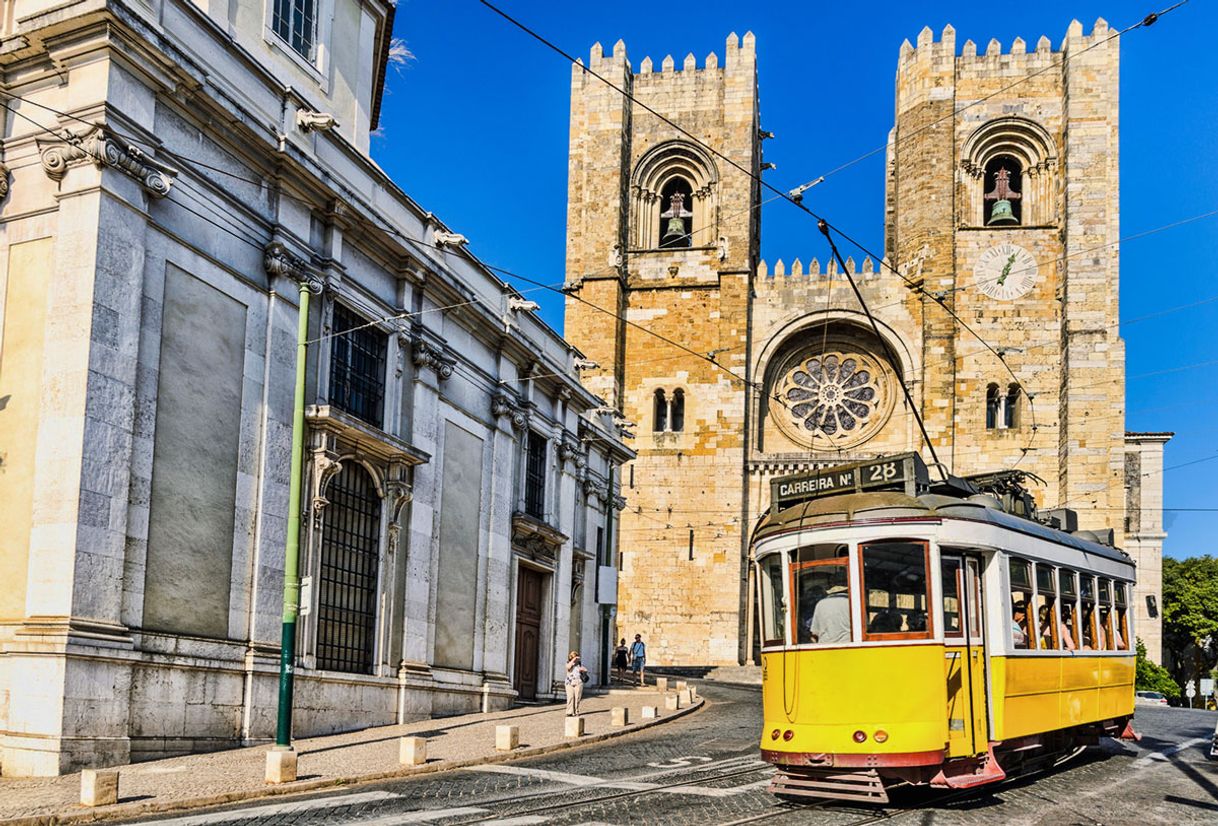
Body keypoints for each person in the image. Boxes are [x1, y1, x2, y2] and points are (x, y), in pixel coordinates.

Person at [565, 650, 587, 716]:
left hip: (578, 682)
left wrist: (583, 670)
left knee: (577, 697)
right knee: (570, 697)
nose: (575, 659)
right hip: (569, 682)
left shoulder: (579, 665)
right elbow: (568, 667)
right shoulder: (568, 663)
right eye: (572, 657)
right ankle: (569, 712)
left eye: (576, 657)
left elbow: (585, 670)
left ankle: (576, 711)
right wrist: (573, 660)